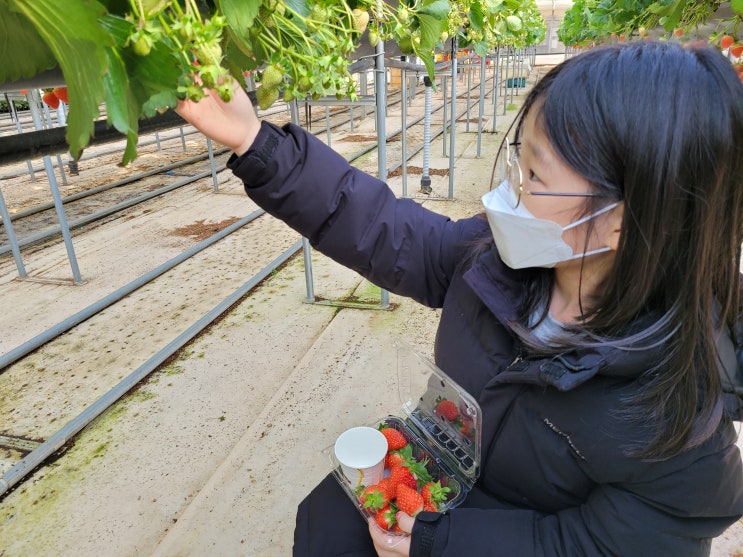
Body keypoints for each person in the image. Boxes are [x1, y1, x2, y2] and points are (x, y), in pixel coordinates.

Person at [175, 40, 743, 556]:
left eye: (535, 178)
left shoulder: (677, 420)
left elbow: (591, 548)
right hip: (436, 475)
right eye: (519, 162)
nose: (507, 190)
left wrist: (433, 544)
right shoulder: (496, 261)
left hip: (483, 539)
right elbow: (385, 229)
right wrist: (258, 143)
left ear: (621, 220)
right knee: (327, 525)